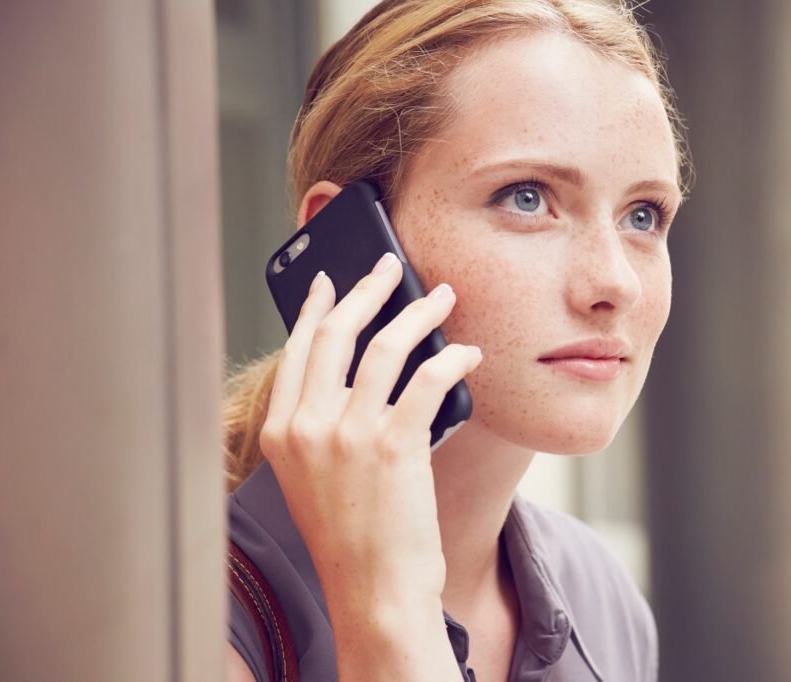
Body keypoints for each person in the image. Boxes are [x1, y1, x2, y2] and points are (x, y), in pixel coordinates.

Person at [222, 0, 689, 679]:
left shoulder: (603, 600)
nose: (615, 282)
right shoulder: (187, 623)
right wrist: (386, 613)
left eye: (642, 215)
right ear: (341, 245)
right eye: (526, 197)